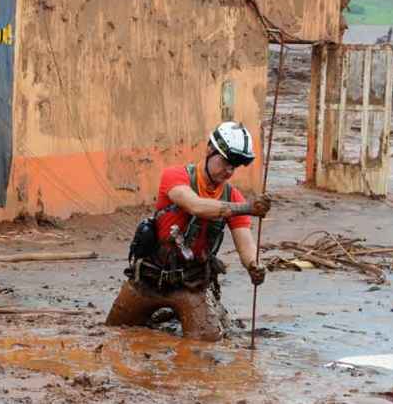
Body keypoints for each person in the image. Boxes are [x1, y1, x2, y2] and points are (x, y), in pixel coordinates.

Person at [106, 121, 271, 341]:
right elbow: (195, 206)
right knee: (114, 334)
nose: (229, 171)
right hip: (147, 281)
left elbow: (245, 243)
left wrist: (253, 265)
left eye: (235, 166)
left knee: (205, 344)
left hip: (190, 286)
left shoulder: (233, 197)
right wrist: (248, 208)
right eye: (225, 162)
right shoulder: (175, 176)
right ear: (209, 150)